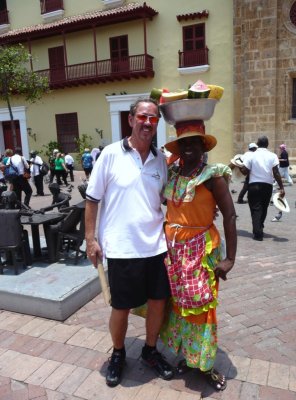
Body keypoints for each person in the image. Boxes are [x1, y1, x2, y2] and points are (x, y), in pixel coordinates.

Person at [85, 98, 173, 388]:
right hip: (122, 247)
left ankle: (150, 350)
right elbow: (92, 199)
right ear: (131, 119)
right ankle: (119, 353)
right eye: (143, 117)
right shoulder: (110, 154)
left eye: (153, 119)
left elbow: (163, 198)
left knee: (159, 302)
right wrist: (90, 239)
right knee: (120, 307)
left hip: (156, 246)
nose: (148, 123)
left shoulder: (160, 159)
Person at [159, 120, 237, 392]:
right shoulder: (172, 174)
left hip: (200, 251)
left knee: (203, 309)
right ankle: (190, 359)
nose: (189, 147)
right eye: (184, 142)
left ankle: (206, 365)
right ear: (179, 147)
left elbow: (229, 215)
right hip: (174, 252)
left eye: (195, 142)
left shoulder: (213, 176)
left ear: (204, 146)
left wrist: (230, 259)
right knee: (180, 307)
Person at [241, 135, 285, 241]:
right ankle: (259, 227)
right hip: (267, 186)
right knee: (264, 207)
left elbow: (244, 171)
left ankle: (258, 232)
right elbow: (276, 173)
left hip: (253, 185)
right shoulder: (273, 155)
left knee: (255, 208)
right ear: (267, 144)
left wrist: (238, 165)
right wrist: (281, 187)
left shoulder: (251, 155)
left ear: (257, 143)